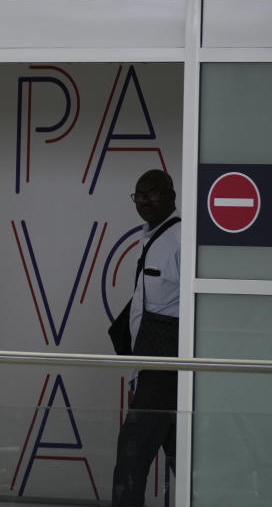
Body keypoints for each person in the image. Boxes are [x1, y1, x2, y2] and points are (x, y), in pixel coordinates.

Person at [110, 169, 181, 506]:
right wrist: (137, 370)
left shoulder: (181, 239)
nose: (144, 200)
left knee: (131, 457)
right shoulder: (150, 238)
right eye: (138, 194)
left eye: (152, 193)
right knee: (186, 459)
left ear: (172, 196)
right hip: (151, 364)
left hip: (167, 367)